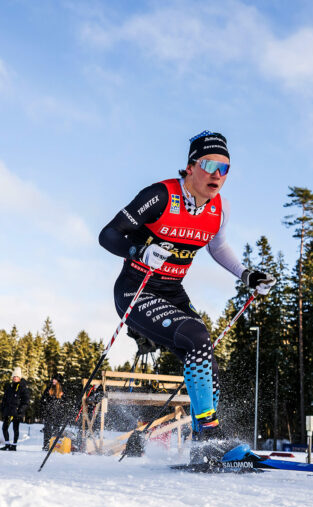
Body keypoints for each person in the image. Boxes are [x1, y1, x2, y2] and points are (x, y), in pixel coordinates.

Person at [98, 130, 276, 462]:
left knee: (207, 361)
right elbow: (107, 234)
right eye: (210, 165)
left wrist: (248, 276)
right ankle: (211, 434)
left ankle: (200, 447)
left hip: (171, 292)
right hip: (136, 289)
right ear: (191, 166)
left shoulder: (217, 210)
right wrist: (139, 250)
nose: (217, 175)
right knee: (197, 336)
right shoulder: (160, 196)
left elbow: (218, 246)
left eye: (225, 169)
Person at [0, 367, 30, 451]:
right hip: (8, 411)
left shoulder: (23, 388)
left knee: (15, 429)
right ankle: (7, 444)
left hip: (17, 412)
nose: (15, 378)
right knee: (4, 428)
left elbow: (26, 401)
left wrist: (20, 410)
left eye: (17, 376)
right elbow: (4, 399)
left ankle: (14, 445)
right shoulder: (9, 387)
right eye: (14, 376)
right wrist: (2, 408)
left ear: (19, 377)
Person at [40, 374, 65, 451]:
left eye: (55, 379)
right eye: (53, 379)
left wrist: (62, 411)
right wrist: (45, 409)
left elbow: (65, 402)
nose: (53, 381)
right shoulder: (48, 388)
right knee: (47, 430)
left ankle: (54, 446)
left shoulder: (62, 390)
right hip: (48, 413)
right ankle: (46, 446)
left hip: (58, 414)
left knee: (56, 430)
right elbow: (43, 400)